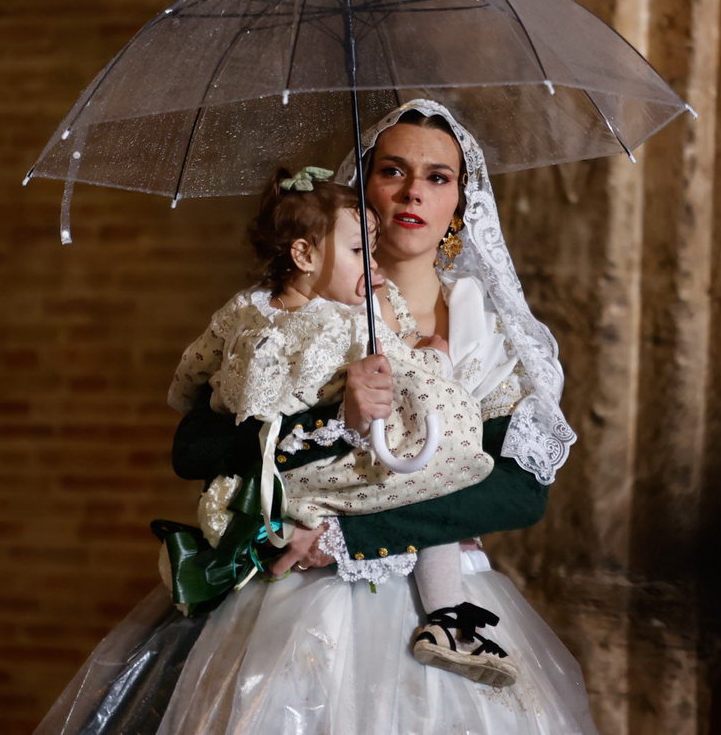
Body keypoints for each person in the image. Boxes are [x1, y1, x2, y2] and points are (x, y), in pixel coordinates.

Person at [35, 99, 597, 735]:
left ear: (460, 204)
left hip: (430, 587)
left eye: (438, 177)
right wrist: (330, 418)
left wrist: (345, 539)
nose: (413, 192)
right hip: (289, 583)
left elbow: (520, 490)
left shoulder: (492, 335)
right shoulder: (289, 313)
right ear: (361, 188)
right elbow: (194, 446)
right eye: (393, 171)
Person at [164, 164, 510, 684]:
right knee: (426, 475)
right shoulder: (342, 320)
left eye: (438, 178)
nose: (371, 263)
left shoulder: (246, 308)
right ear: (305, 255)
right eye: (358, 251)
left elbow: (194, 366)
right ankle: (446, 614)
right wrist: (435, 359)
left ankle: (440, 611)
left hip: (286, 485)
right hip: (317, 473)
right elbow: (400, 368)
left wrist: (190, 392)